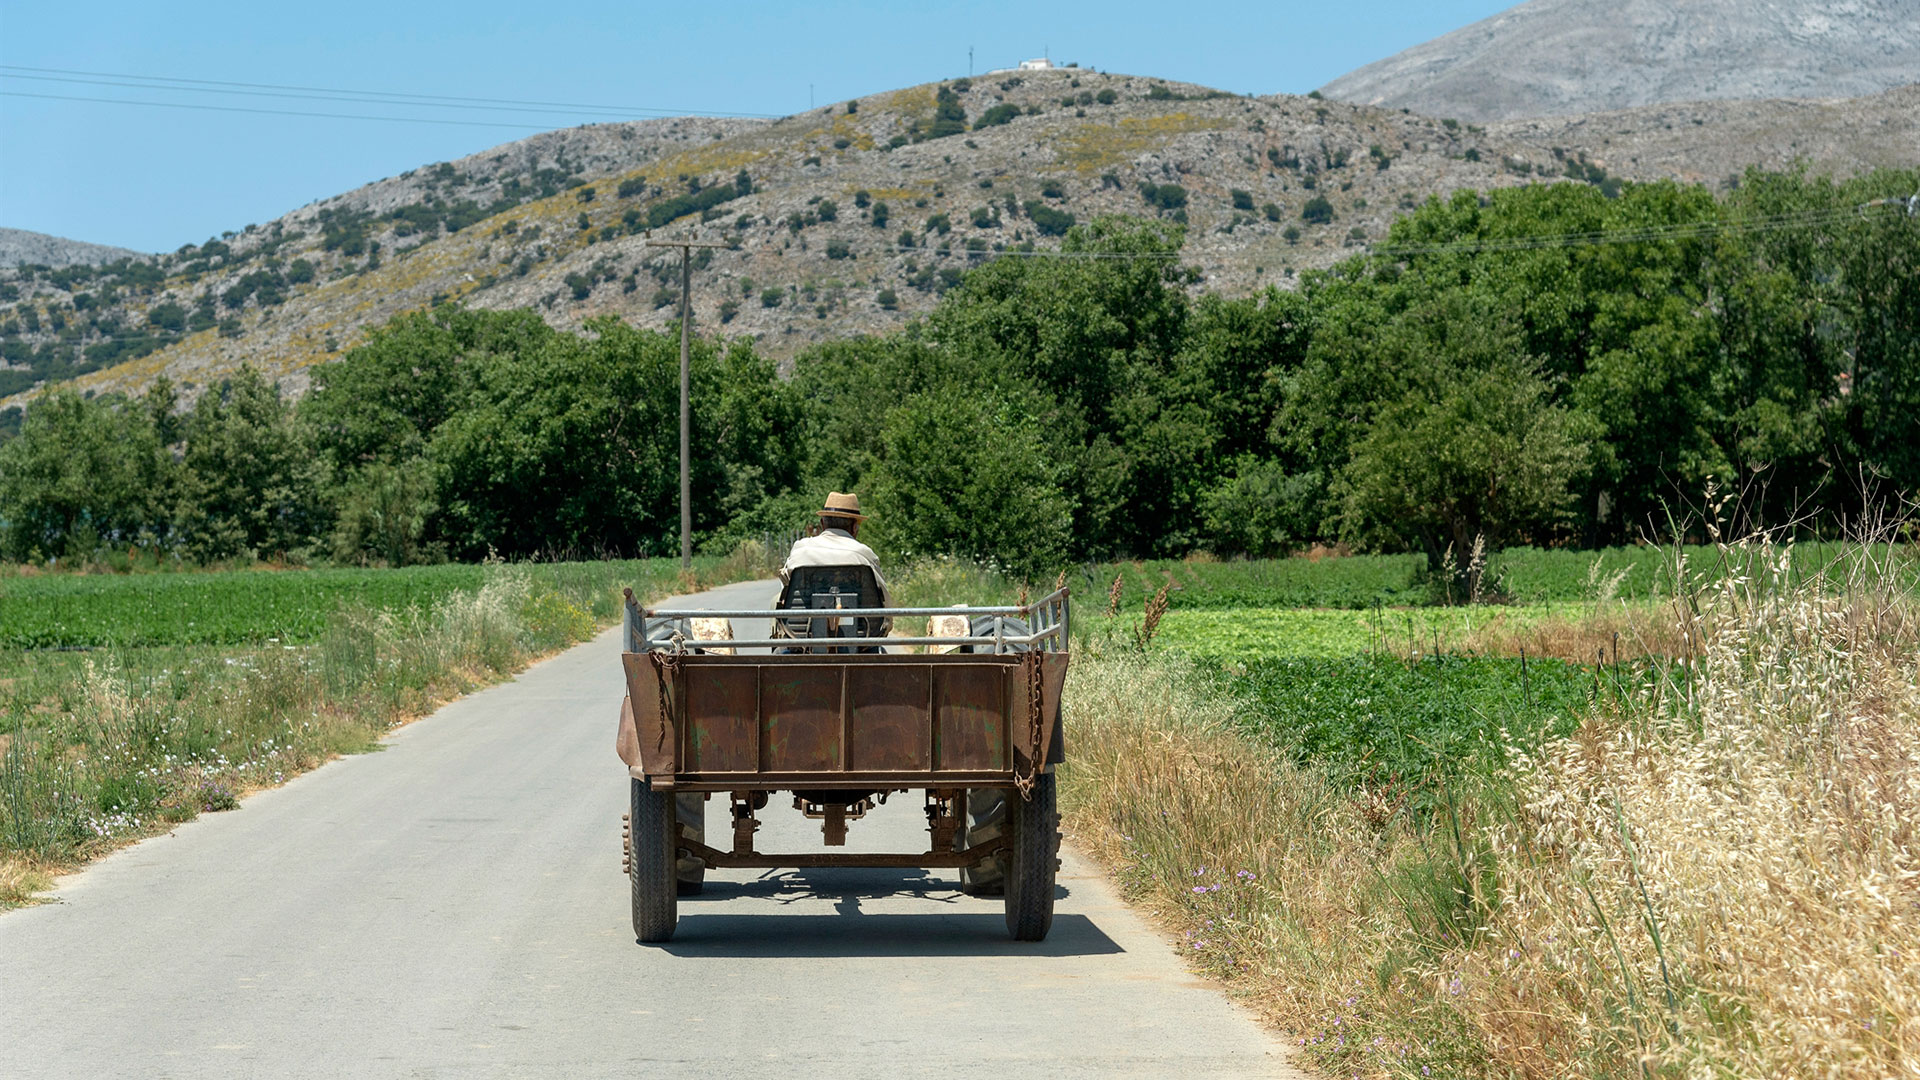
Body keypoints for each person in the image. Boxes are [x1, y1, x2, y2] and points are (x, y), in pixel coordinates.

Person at [778, 491, 893, 640]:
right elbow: (884, 599)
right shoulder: (864, 554)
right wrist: (885, 628)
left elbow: (786, 589)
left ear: (823, 524)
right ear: (855, 527)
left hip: (801, 637)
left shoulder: (801, 549)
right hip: (861, 641)